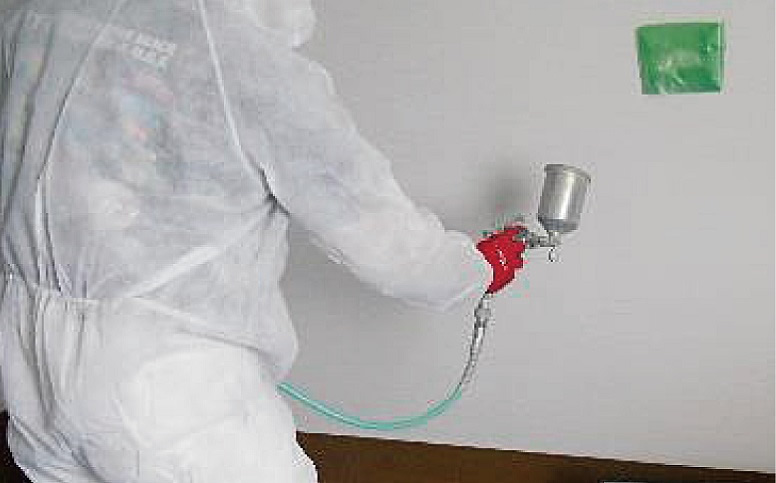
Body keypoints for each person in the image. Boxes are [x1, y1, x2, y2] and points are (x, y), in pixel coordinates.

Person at [0, 0, 526, 481]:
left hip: (24, 362)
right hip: (162, 382)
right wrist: (477, 267)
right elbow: (389, 247)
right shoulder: (245, 63)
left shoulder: (36, 18)